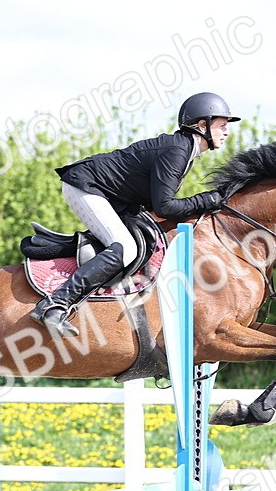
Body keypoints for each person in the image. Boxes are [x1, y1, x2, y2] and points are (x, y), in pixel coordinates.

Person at [30, 92, 241, 336]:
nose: (226, 132)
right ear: (202, 125)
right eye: (222, 126)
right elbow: (165, 207)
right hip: (86, 186)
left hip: (114, 197)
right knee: (124, 248)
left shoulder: (185, 149)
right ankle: (55, 304)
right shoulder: (178, 150)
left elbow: (156, 206)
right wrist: (208, 199)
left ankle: (57, 250)